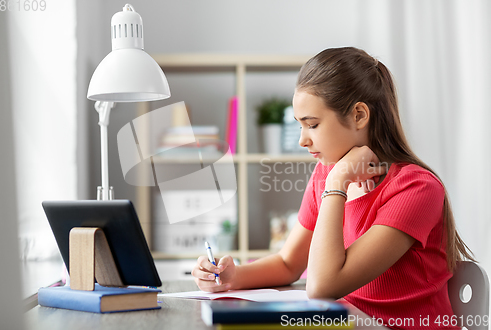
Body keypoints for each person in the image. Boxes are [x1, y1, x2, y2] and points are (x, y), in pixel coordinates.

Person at [192, 47, 474, 329]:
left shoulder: (416, 189)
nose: (303, 140)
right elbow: (289, 263)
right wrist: (232, 276)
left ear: (360, 115)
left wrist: (337, 182)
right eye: (300, 125)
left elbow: (323, 287)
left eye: (312, 125)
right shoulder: (326, 174)